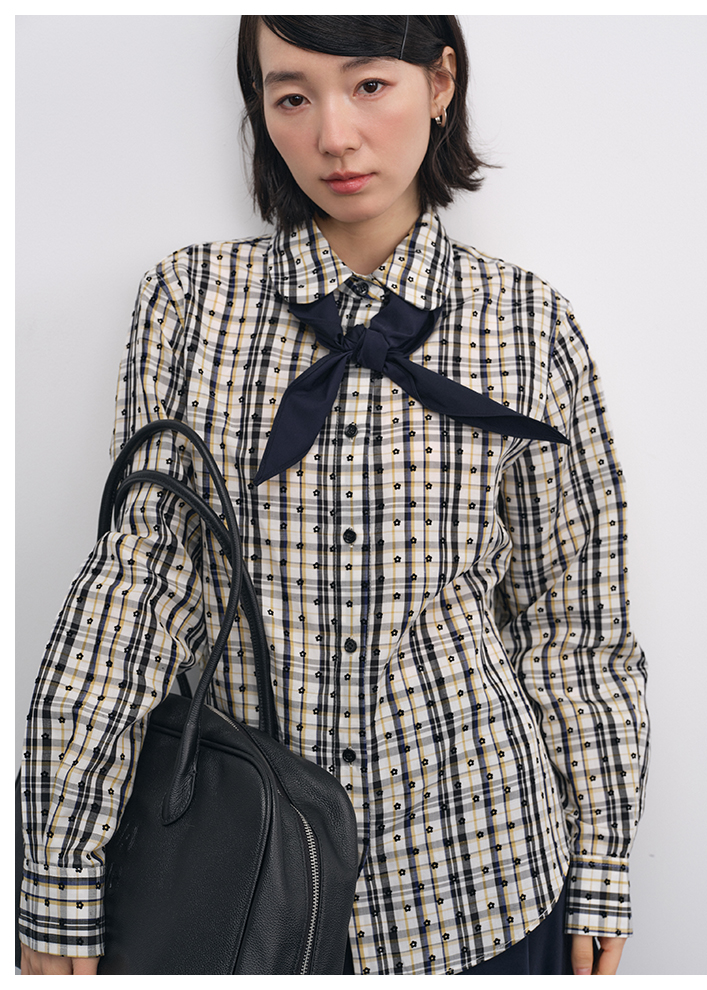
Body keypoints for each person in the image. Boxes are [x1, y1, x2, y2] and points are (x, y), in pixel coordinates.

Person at [18, 15, 649, 976]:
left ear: (441, 84)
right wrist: (60, 868)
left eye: (369, 85)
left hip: (481, 878)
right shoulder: (189, 303)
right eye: (292, 96)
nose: (334, 136)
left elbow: (577, 620)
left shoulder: (530, 323)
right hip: (241, 885)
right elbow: (138, 591)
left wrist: (601, 859)